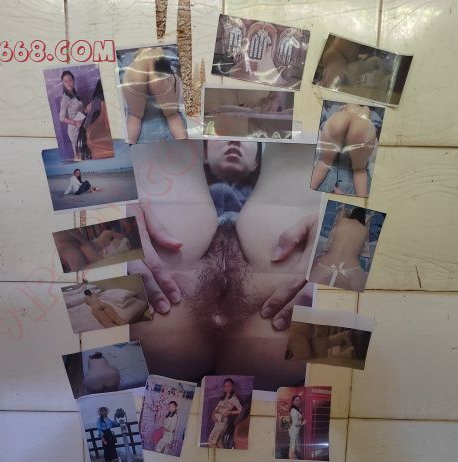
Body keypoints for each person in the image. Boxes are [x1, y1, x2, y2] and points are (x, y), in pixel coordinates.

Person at [128, 140, 320, 390]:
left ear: (257, 162)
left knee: (165, 138)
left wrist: (339, 235)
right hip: (284, 366)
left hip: (149, 358)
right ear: (206, 153)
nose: (235, 141)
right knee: (301, 150)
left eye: (249, 141)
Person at [121, 47, 187, 144]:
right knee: (172, 116)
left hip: (136, 68)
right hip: (160, 64)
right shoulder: (169, 52)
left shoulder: (127, 56)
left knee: (135, 116)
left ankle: (129, 145)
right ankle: (183, 146)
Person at [310, 104, 378, 197]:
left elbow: (319, 117)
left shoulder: (334, 108)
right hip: (363, 121)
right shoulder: (373, 113)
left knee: (324, 162)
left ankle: (307, 192)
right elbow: (377, 125)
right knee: (359, 170)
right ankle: (361, 200)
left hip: (338, 117)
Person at [309, 206, 370, 290]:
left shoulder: (341, 221)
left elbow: (329, 242)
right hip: (352, 268)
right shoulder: (365, 230)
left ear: (352, 214)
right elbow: (365, 251)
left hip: (325, 263)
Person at [54, 227, 130, 272]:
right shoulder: (81, 249)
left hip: (78, 245)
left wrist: (88, 243)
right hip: (75, 246)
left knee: (90, 249)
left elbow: (73, 232)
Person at [58, 70, 87, 160]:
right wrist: (75, 123)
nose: (68, 83)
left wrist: (86, 109)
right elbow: (61, 118)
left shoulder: (74, 94)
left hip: (81, 125)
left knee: (84, 153)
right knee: (78, 155)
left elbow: (80, 111)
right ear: (63, 83)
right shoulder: (65, 98)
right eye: (65, 81)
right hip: (74, 129)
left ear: (73, 81)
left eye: (70, 80)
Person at [207, 378, 243, 449]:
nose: (227, 387)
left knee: (210, 442)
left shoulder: (234, 398)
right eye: (225, 386)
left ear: (232, 386)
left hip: (223, 422)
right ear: (224, 387)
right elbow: (216, 409)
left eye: (229, 385)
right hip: (217, 421)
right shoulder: (222, 398)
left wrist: (230, 412)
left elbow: (241, 410)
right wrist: (213, 415)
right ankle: (224, 455)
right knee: (219, 443)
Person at [288, 394, 307, 459]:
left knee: (295, 446)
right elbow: (295, 423)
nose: (298, 401)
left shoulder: (296, 409)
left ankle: (294, 458)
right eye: (296, 400)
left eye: (299, 400)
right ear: (293, 401)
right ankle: (291, 460)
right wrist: (303, 423)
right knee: (292, 447)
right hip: (294, 431)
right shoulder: (294, 410)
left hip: (295, 431)